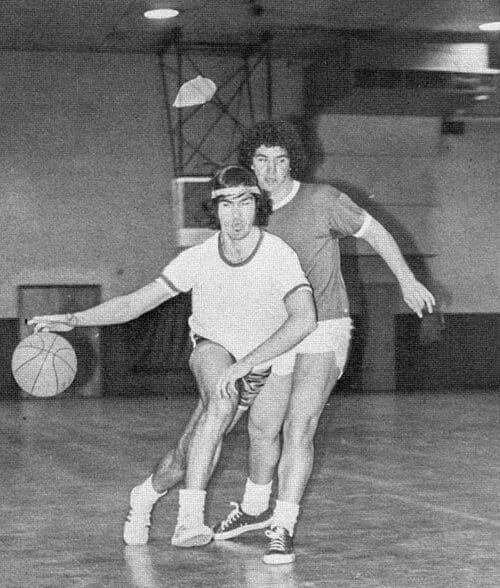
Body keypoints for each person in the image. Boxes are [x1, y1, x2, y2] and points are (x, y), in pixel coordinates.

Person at [28, 164, 317, 549]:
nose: (235, 214)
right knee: (221, 397)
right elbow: (136, 302)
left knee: (194, 455)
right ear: (212, 209)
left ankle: (145, 496)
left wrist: (249, 364)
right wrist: (73, 319)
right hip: (215, 348)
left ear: (259, 205)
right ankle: (189, 520)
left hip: (266, 357)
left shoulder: (278, 254)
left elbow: (305, 319)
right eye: (225, 204)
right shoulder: (198, 258)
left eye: (245, 202)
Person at [212, 120, 436, 564]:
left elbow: (377, 233)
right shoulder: (247, 210)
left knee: (299, 425)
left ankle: (283, 523)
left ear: (293, 161)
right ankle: (255, 509)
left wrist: (407, 280)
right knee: (260, 428)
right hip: (274, 334)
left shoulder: (323, 200)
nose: (272, 171)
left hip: (323, 326)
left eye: (280, 160)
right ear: (249, 163)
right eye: (262, 160)